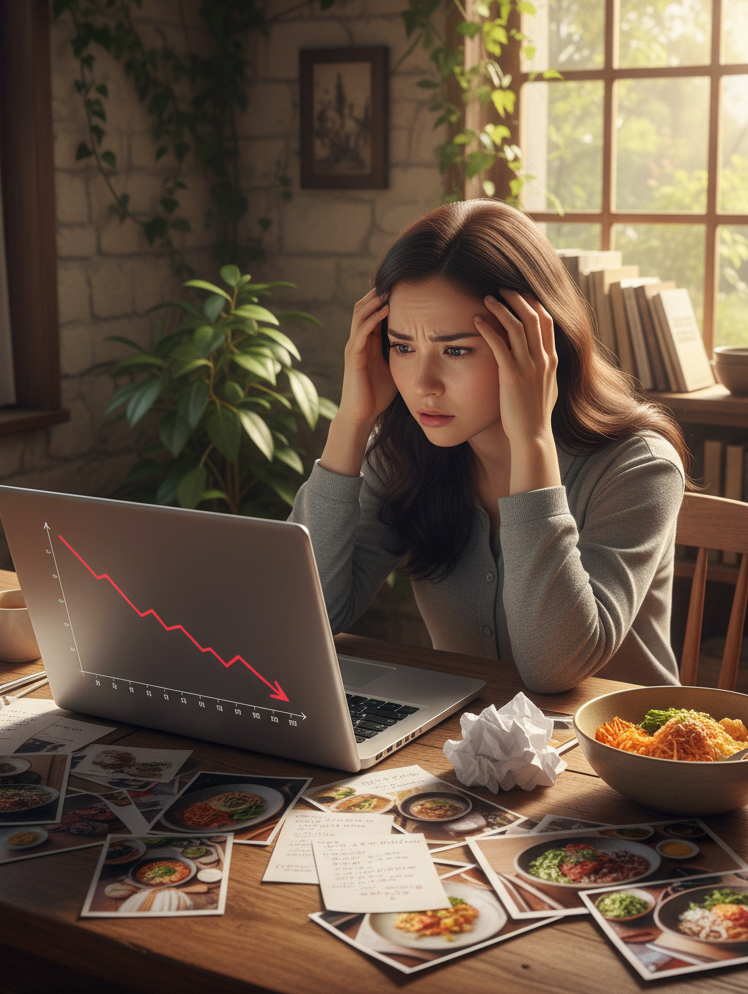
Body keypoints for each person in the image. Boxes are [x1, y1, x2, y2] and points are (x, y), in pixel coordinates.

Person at [290, 199, 688, 692]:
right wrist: (352, 419)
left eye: (456, 350)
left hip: (617, 759)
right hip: (466, 746)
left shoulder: (638, 467)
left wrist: (533, 440)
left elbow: (553, 668)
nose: (423, 384)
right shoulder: (406, 452)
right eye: (402, 347)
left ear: (538, 345)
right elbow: (303, 623)